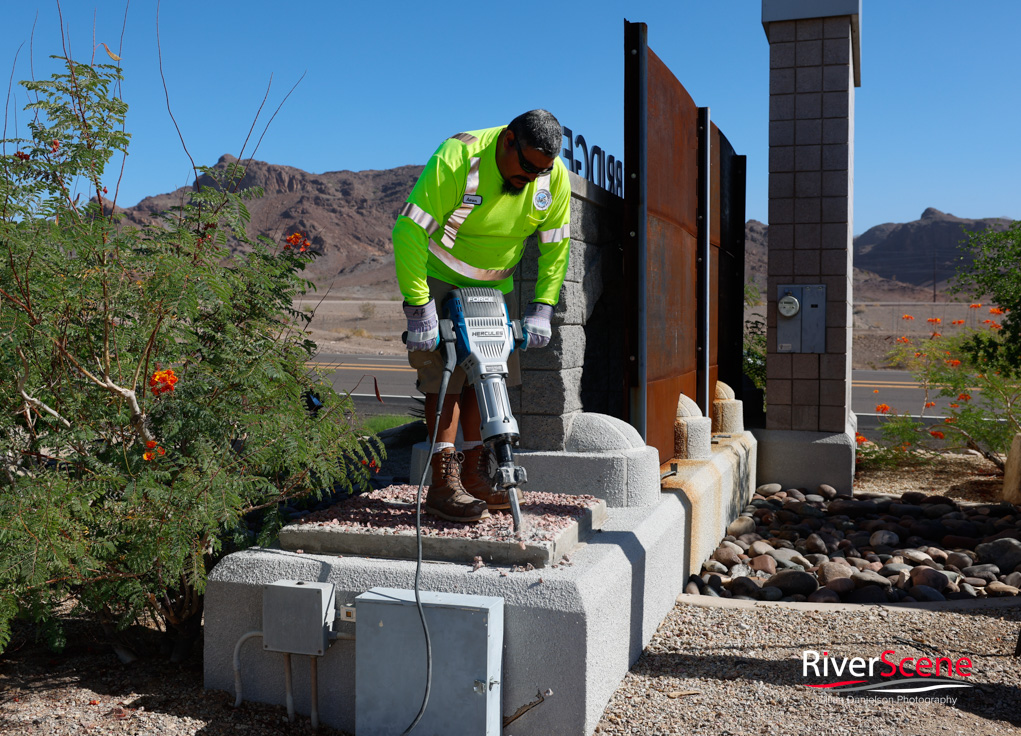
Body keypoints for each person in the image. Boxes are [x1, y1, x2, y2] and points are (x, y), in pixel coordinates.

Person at [392, 109, 572, 523]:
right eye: (526, 166)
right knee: (446, 380)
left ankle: (473, 476)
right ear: (508, 140)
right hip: (438, 275)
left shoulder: (550, 176)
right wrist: (420, 309)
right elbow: (410, 230)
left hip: (494, 288)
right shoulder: (459, 158)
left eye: (540, 171)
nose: (530, 178)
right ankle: (442, 483)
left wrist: (542, 309)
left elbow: (556, 247)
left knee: (487, 378)